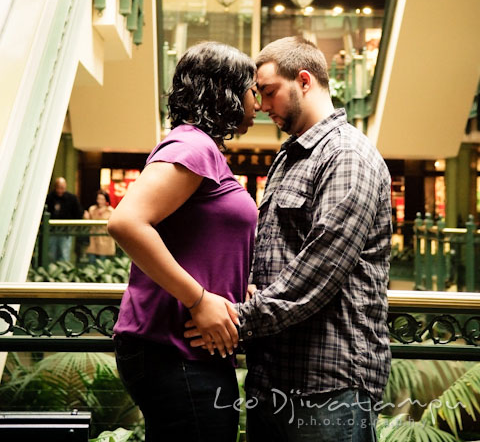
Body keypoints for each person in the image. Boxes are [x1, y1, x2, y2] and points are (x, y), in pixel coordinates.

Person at [187, 36, 392, 441]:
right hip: (274, 379)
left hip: (330, 386)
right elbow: (280, 253)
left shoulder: (347, 155)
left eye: (268, 92)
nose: (261, 107)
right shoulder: (288, 156)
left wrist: (233, 320)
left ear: (303, 80)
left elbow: (319, 269)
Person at [107, 41, 260, 442]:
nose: (257, 102)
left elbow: (196, 237)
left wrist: (230, 287)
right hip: (173, 349)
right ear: (226, 90)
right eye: (251, 89)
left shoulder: (200, 148)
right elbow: (126, 222)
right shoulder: (193, 146)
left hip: (183, 350)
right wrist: (200, 299)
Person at [45, 176, 83, 262]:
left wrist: (72, 225)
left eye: (62, 188)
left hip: (65, 231)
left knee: (64, 254)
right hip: (51, 231)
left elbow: (78, 213)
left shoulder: (71, 198)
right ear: (55, 187)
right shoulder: (49, 198)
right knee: (51, 254)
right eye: (58, 188)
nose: (60, 191)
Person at [83, 190, 116, 262]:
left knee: (102, 263)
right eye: (98, 199)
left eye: (102, 199)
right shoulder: (92, 209)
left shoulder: (111, 211)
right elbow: (88, 223)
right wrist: (86, 217)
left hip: (105, 240)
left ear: (106, 200)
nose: (99, 201)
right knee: (91, 262)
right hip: (93, 240)